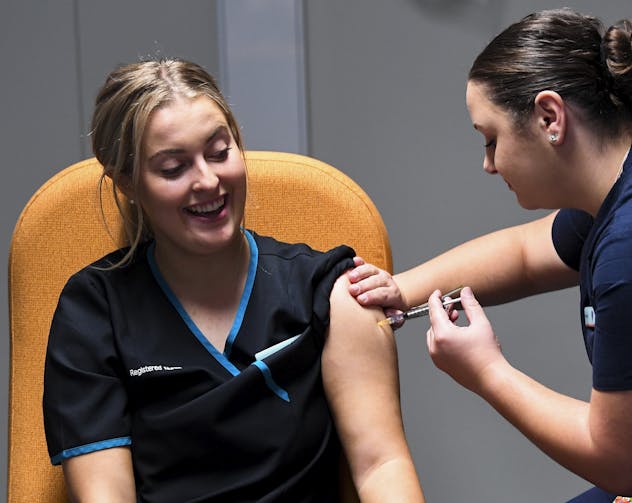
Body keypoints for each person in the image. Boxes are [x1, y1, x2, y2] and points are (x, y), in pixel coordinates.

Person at [347, 8, 632, 503]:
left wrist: (487, 372)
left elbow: (622, 462)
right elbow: (522, 254)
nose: (488, 164)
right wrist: (401, 289)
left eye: (491, 139)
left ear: (549, 117)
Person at [42, 58, 424, 503]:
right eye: (172, 168)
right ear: (127, 181)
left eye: (220, 152)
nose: (208, 181)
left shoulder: (330, 290)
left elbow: (382, 466)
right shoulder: (94, 312)